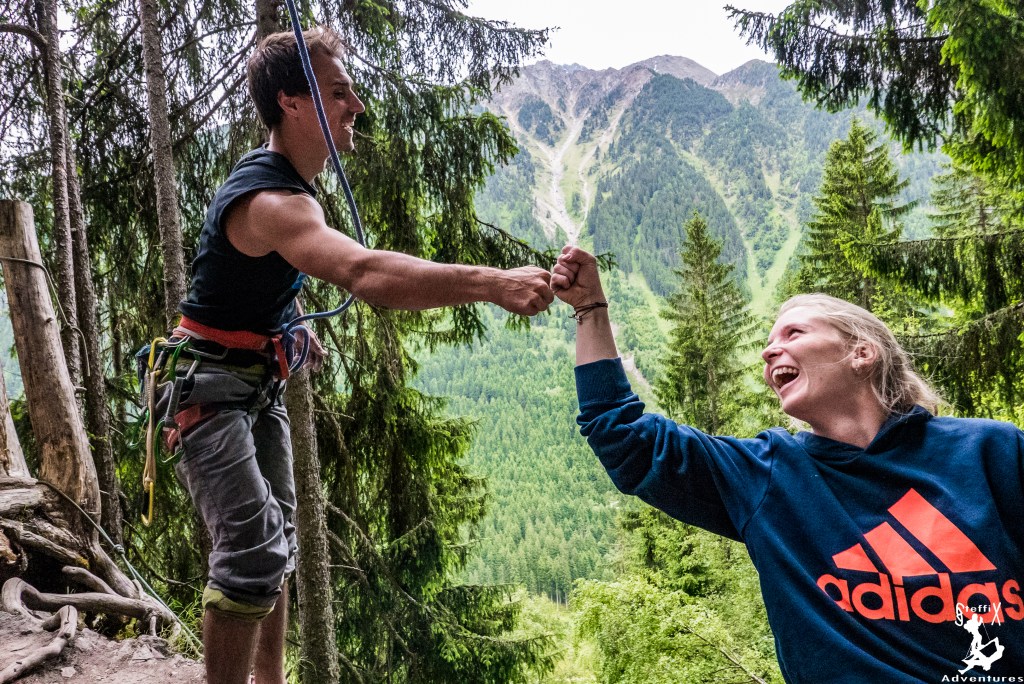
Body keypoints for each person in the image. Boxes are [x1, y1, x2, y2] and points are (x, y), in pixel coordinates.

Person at [162, 26, 554, 684]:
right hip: (206, 389)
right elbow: (368, 276)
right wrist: (493, 283)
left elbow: (241, 278)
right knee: (251, 559)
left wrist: (285, 322)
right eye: (340, 92)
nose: (357, 105)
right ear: (292, 102)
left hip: (247, 381)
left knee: (278, 543)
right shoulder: (275, 202)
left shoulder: (283, 185)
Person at [550, 245, 1023, 682]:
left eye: (794, 333)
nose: (769, 350)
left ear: (862, 353)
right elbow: (622, 435)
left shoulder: (992, 451)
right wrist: (591, 309)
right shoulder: (767, 474)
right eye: (769, 341)